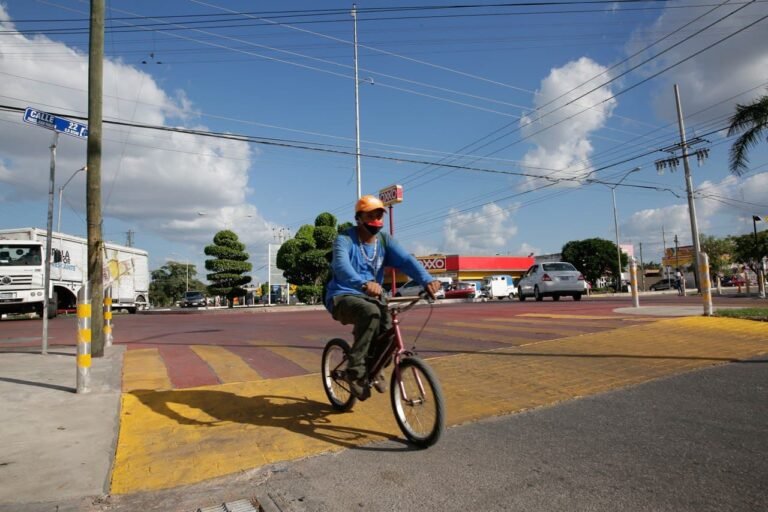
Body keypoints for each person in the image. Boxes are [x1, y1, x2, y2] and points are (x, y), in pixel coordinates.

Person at [325, 195, 442, 399]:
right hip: (342, 295)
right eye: (370, 215)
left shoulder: (384, 241)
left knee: (388, 326)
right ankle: (355, 371)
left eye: (379, 215)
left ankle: (375, 368)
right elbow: (341, 266)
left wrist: (427, 280)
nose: (376, 219)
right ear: (358, 218)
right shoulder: (344, 239)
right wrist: (362, 283)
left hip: (373, 296)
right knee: (370, 313)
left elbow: (406, 260)